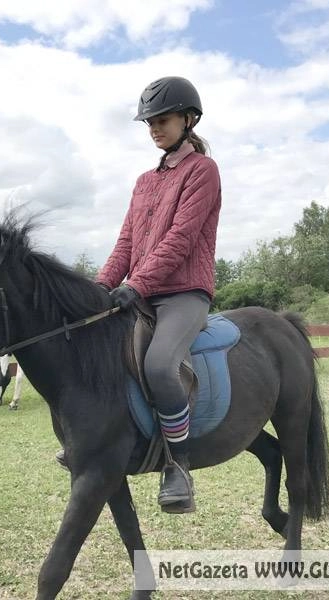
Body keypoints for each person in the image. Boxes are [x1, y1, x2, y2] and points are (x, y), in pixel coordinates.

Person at [97, 76, 222, 514]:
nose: (154, 128)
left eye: (162, 120)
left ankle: (178, 464)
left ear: (188, 120)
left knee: (160, 365)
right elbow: (127, 243)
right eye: (149, 122)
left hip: (184, 293)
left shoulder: (202, 171)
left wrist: (136, 285)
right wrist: (101, 288)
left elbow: (180, 239)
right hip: (141, 293)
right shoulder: (143, 182)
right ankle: (101, 443)